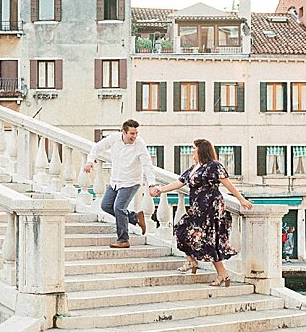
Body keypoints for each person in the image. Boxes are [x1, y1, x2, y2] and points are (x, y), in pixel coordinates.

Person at [151, 139, 253, 282]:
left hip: (211, 207)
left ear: (201, 150)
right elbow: (180, 182)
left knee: (209, 240)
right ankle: (191, 261)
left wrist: (241, 199)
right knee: (180, 229)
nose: (192, 150)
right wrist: (161, 190)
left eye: (194, 148)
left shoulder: (214, 166)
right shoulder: (194, 167)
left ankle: (222, 274)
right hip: (197, 207)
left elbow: (227, 184)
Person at [83, 120, 155, 249]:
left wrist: (151, 184)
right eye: (132, 133)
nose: (134, 136)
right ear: (123, 132)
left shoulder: (140, 144)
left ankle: (123, 240)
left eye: (136, 133)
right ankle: (134, 217)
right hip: (115, 181)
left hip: (131, 182)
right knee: (105, 205)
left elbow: (147, 165)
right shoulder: (114, 139)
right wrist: (89, 161)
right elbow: (96, 147)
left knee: (119, 207)